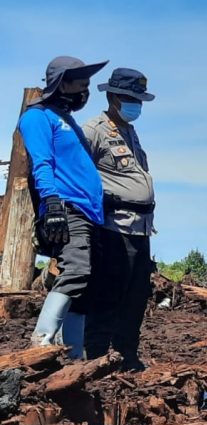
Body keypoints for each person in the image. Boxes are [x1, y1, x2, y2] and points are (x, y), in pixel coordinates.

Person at [19, 56, 108, 359]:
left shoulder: (66, 120)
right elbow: (41, 163)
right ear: (63, 83)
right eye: (81, 83)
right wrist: (52, 202)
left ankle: (73, 355)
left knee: (88, 286)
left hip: (89, 213)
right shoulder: (38, 117)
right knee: (77, 270)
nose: (86, 90)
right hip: (67, 207)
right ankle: (41, 341)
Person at [82, 68, 157, 371]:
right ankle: (97, 358)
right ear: (113, 97)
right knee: (108, 295)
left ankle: (127, 355)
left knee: (135, 298)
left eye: (138, 99)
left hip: (140, 229)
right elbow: (75, 171)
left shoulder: (129, 132)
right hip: (113, 227)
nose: (135, 105)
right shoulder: (94, 130)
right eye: (129, 98)